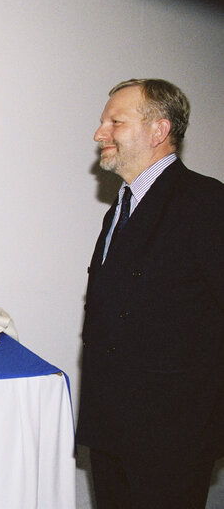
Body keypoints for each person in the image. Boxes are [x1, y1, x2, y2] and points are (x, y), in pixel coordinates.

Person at [76, 79, 224, 508]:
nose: (99, 133)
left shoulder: (206, 203)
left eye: (114, 122)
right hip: (111, 424)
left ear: (158, 131)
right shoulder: (119, 209)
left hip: (171, 433)